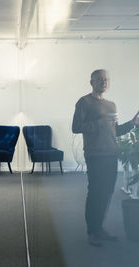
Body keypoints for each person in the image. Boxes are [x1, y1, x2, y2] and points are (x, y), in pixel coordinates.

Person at [72, 69, 139, 246]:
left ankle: (99, 228)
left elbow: (114, 131)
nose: (104, 82)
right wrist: (98, 123)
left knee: (107, 194)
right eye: (100, 79)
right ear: (92, 82)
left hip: (111, 154)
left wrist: (132, 124)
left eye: (106, 79)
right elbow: (76, 127)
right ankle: (92, 231)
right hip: (95, 154)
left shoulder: (112, 105)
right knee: (95, 193)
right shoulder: (84, 102)